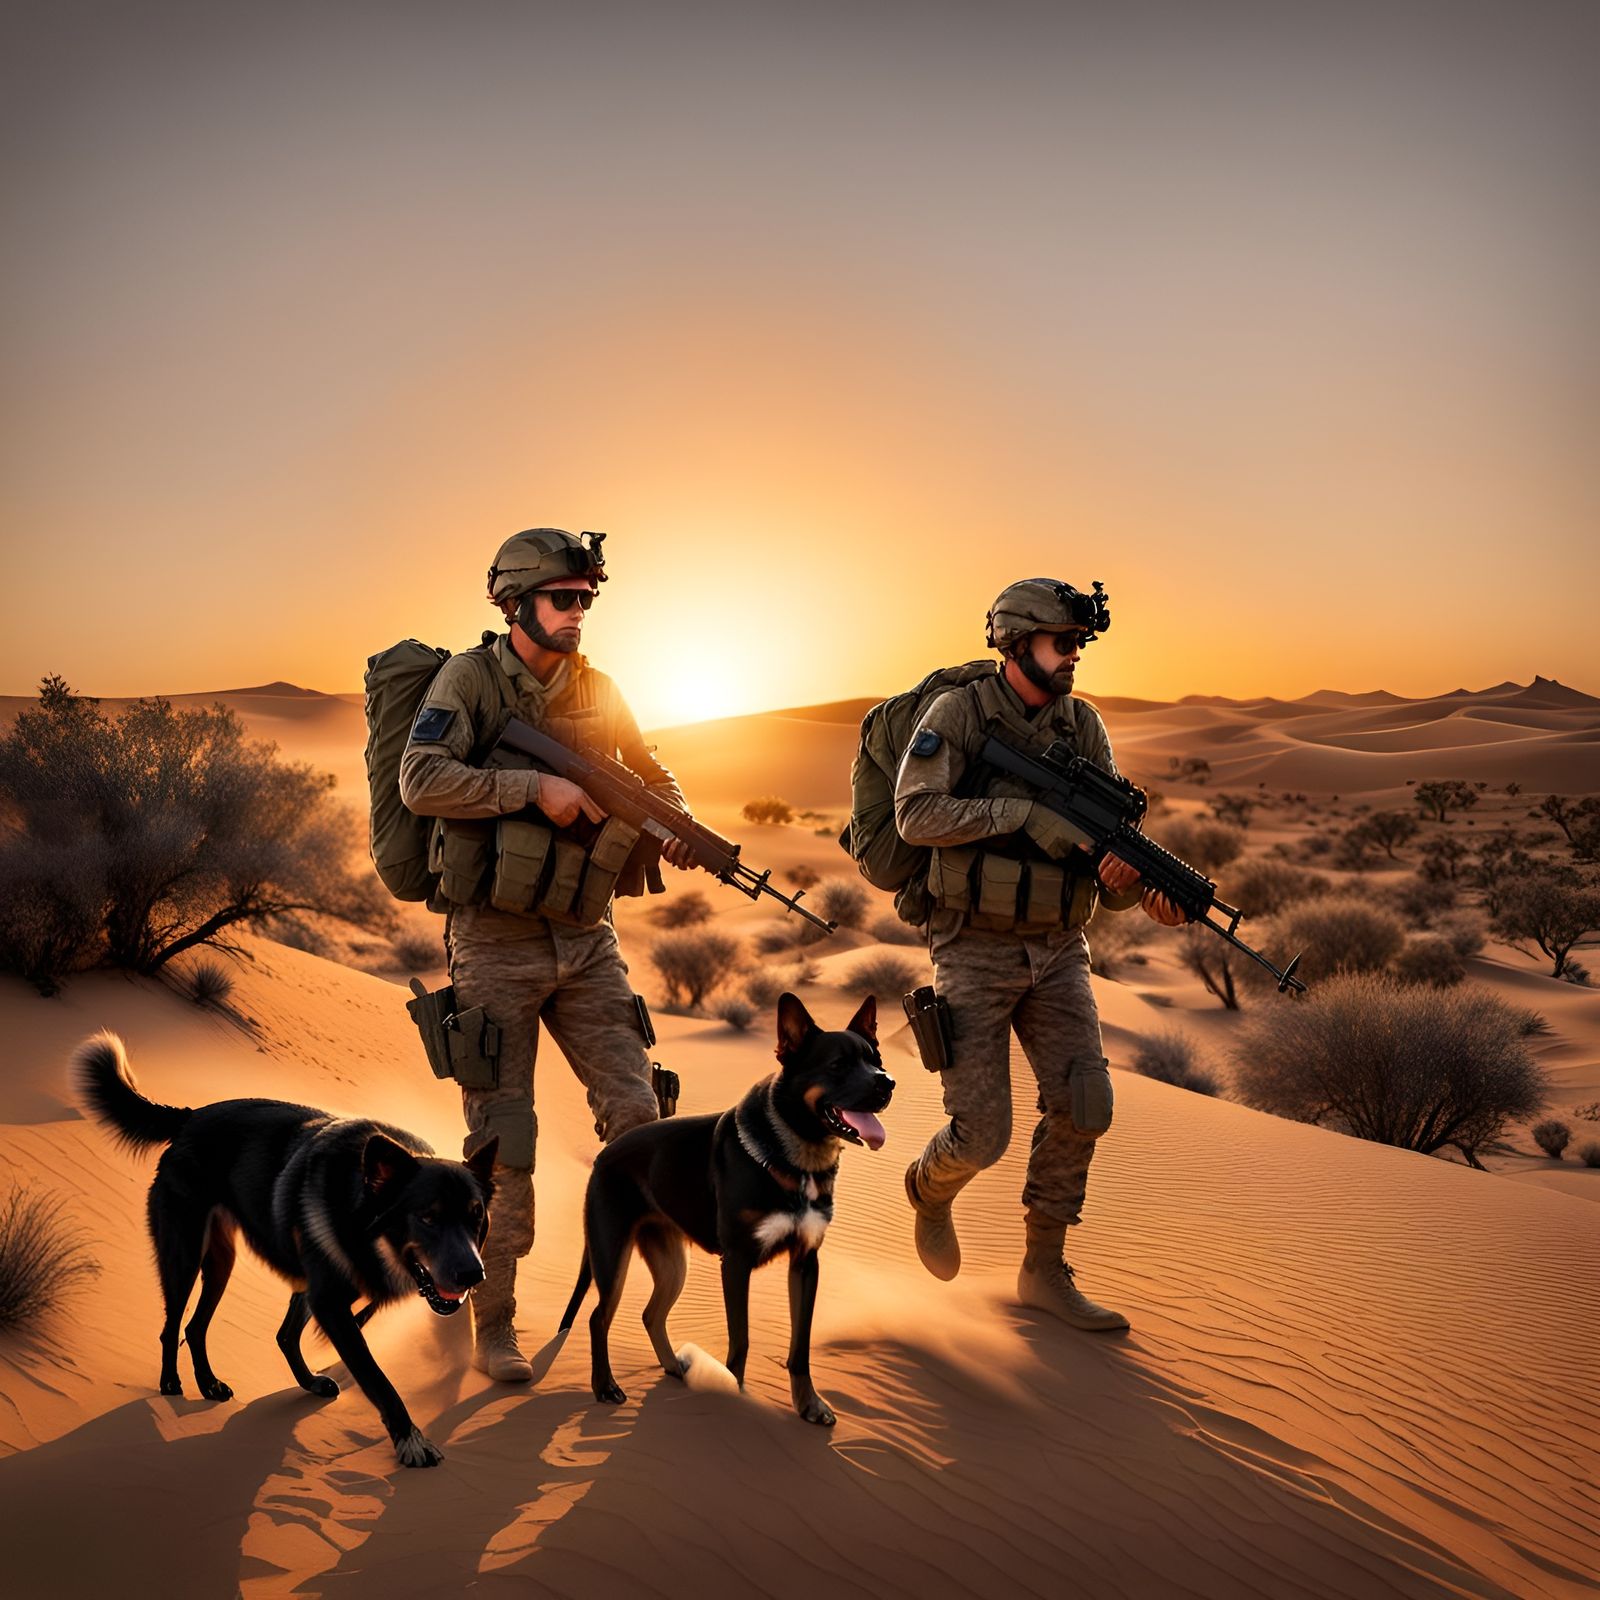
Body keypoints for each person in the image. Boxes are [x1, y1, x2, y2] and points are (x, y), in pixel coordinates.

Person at [399, 528, 696, 1380]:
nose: (577, 614)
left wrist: (673, 825)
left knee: (643, 1118)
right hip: (493, 941)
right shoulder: (469, 679)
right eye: (564, 598)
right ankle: (493, 1328)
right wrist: (535, 788)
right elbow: (422, 778)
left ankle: (657, 1322)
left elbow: (650, 773)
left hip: (585, 938)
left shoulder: (598, 686)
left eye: (586, 600)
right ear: (517, 602)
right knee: (506, 1141)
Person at [896, 578, 1185, 1331]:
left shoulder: (1082, 727)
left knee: (1086, 1104)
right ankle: (928, 1189)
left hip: (1059, 949)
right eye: (1064, 643)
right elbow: (915, 813)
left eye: (1079, 645)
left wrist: (1135, 889)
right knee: (980, 1137)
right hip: (973, 945)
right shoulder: (957, 713)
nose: (1073, 659)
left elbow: (1102, 856)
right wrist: (1021, 813)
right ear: (1018, 642)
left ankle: (1043, 1269)